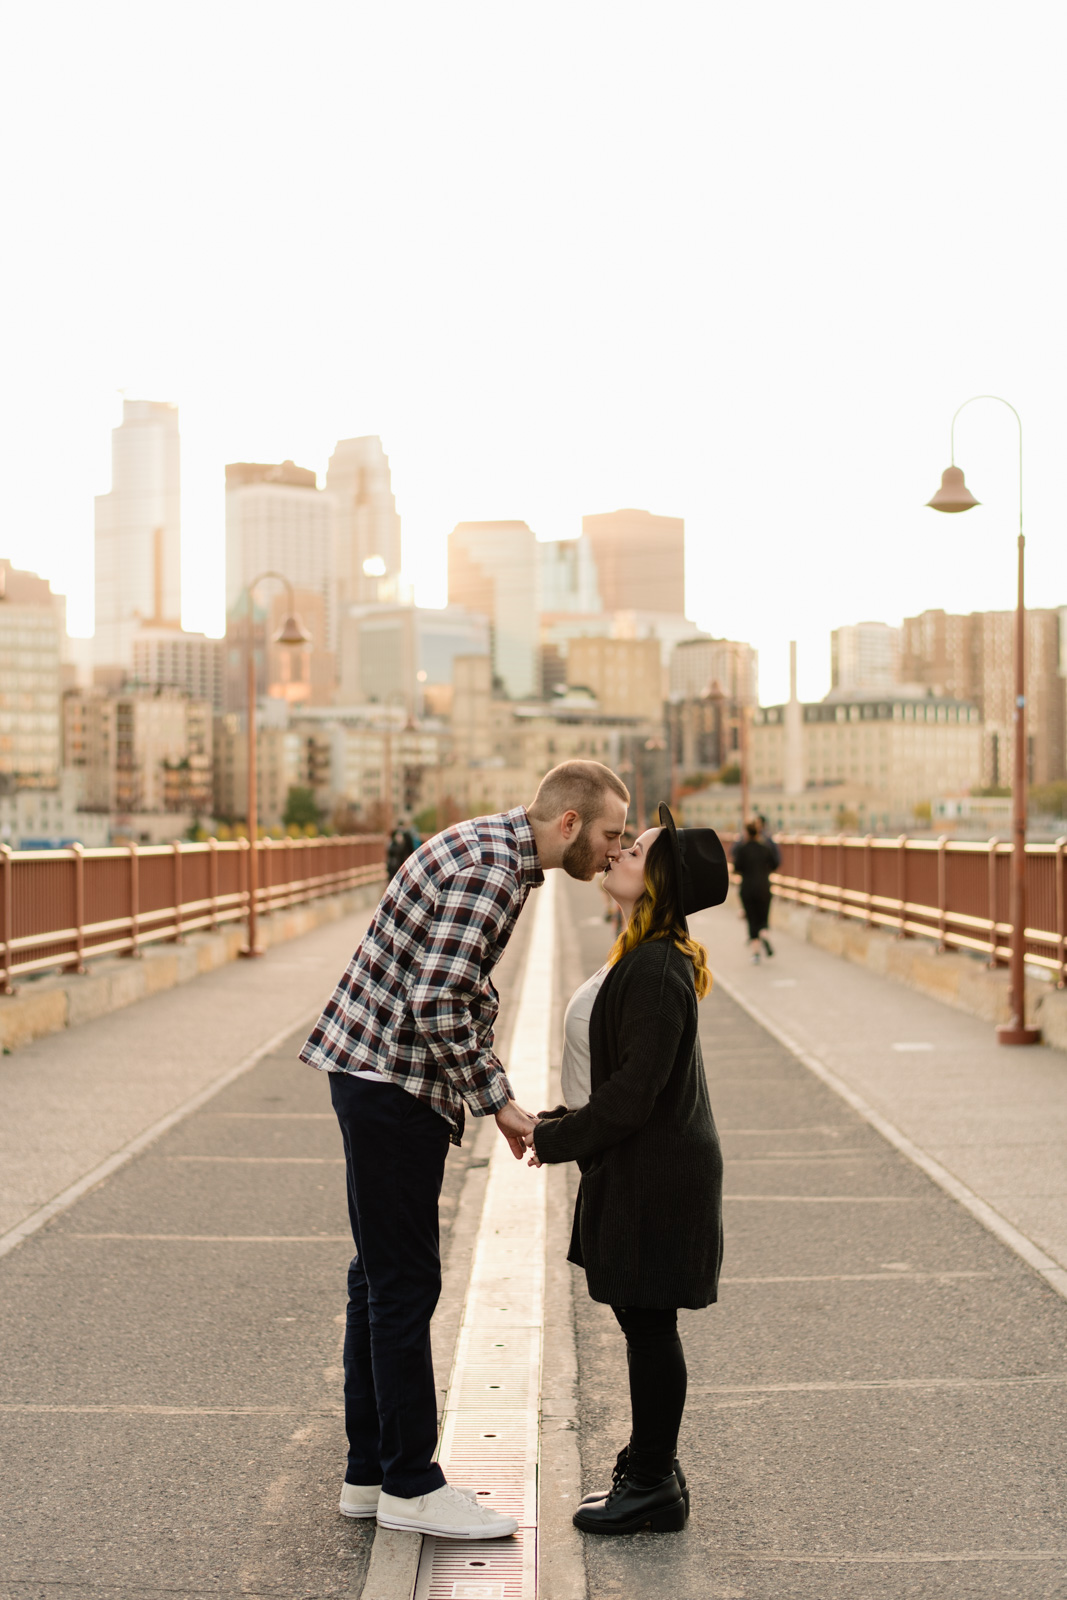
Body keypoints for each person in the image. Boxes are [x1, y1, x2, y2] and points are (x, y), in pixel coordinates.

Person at [299, 760, 629, 1540]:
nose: (614, 852)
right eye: (611, 835)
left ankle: (370, 1472)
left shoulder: (493, 852)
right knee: (404, 1285)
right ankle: (412, 1483)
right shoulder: (490, 869)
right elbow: (438, 998)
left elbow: (439, 991)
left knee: (377, 1281)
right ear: (570, 824)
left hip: (374, 1073)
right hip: (393, 1086)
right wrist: (501, 1105)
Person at [529, 802, 729, 1536]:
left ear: (660, 883)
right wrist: (560, 1125)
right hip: (641, 1165)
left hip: (655, 1172)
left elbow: (631, 1096)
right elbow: (618, 1084)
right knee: (643, 1323)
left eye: (635, 850)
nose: (617, 852)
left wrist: (552, 1139)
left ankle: (651, 1483)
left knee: (648, 1327)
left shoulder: (653, 967)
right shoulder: (641, 953)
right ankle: (653, 1468)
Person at [733, 819, 776, 961]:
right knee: (763, 919)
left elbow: (737, 868)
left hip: (747, 889)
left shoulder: (742, 849)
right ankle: (764, 935)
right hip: (764, 888)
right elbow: (775, 863)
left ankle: (756, 953)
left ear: (746, 832)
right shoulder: (765, 848)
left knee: (752, 920)